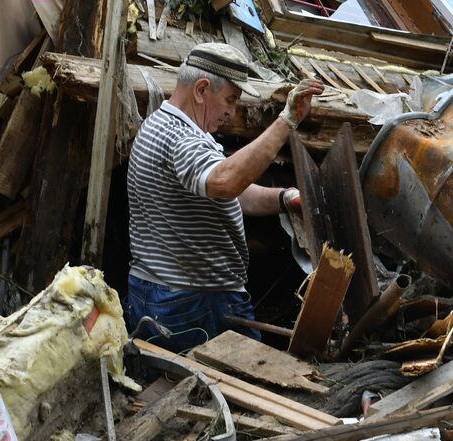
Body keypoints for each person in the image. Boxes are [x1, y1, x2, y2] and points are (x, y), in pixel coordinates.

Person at [124, 42, 324, 351]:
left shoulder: (163, 125)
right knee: (240, 391)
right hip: (192, 305)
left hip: (165, 294)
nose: (232, 113)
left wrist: (284, 198)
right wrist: (287, 121)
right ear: (202, 90)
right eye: (230, 100)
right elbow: (226, 181)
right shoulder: (181, 138)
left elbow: (231, 193)